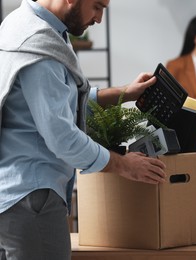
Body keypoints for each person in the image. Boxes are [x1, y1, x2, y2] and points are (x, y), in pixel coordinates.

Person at [0, 0, 166, 259]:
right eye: (97, 7)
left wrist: (123, 93)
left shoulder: (20, 24)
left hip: (13, 198)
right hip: (31, 201)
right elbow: (63, 137)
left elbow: (57, 102)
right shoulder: (39, 45)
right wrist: (124, 165)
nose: (98, 19)